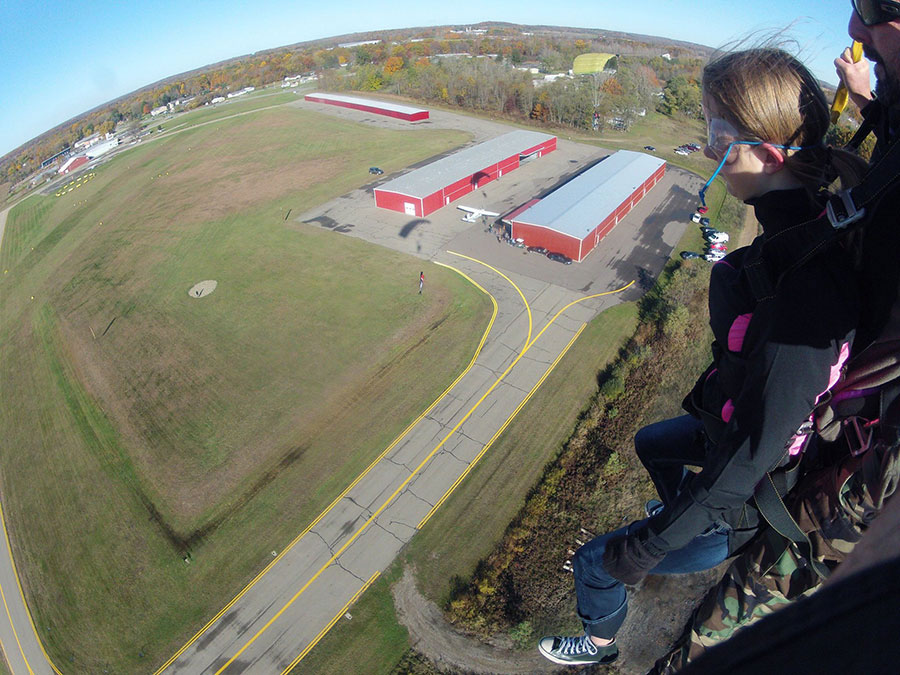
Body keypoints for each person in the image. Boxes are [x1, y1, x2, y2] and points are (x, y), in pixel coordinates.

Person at [538, 47, 867, 667]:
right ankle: (675, 516)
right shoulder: (805, 230)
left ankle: (599, 645)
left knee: (595, 563)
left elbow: (750, 456)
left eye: (720, 135)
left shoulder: (804, 293)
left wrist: (644, 550)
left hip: (742, 500)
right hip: (733, 440)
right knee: (652, 442)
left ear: (771, 154)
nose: (713, 151)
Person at [650, 4, 900, 670]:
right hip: (830, 425)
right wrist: (878, 94)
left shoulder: (811, 291)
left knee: (701, 651)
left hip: (851, 465)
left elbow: (769, 443)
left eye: (876, 8)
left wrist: (644, 548)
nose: (855, 29)